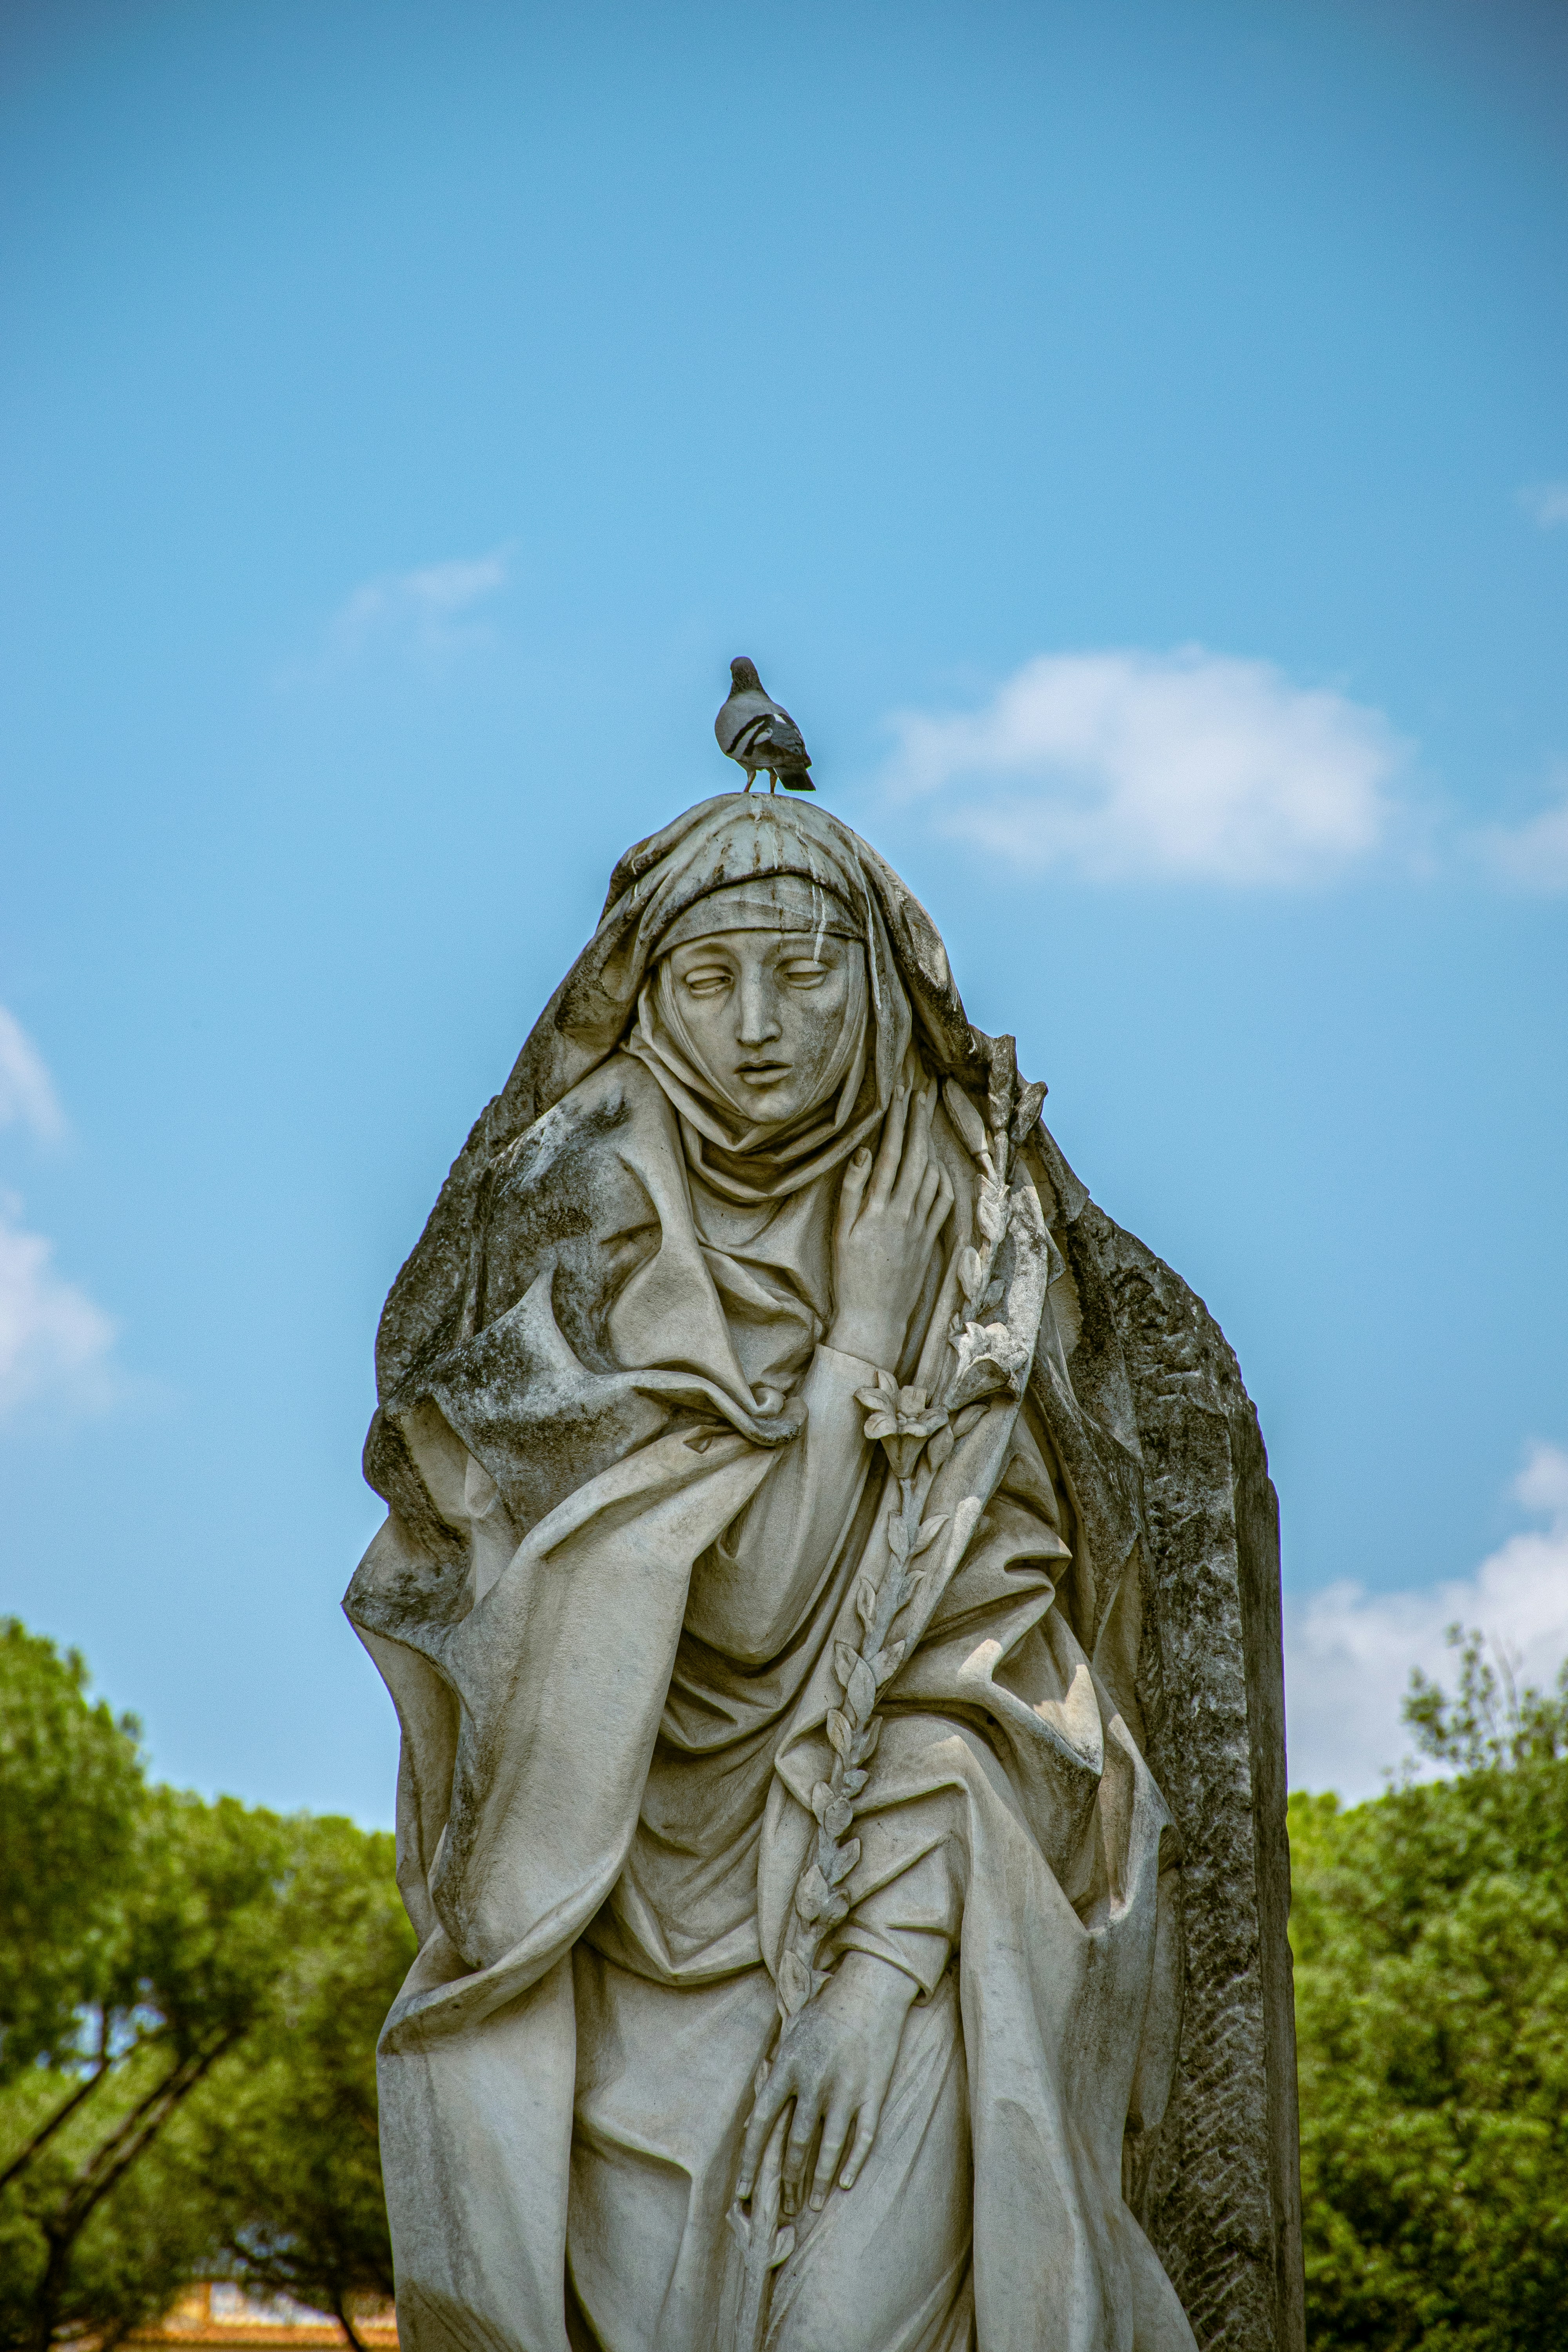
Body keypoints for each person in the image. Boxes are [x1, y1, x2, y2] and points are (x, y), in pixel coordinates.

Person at [347, 794, 1197, 2352]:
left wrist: (876, 1970)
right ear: (640, 998)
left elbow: (998, 1645)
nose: (756, 1028)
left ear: (875, 981)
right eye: (706, 979)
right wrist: (858, 1343)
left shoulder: (971, 1215)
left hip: (906, 1905)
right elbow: (727, 1612)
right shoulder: (568, 1212)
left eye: (804, 972)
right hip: (600, 1924)